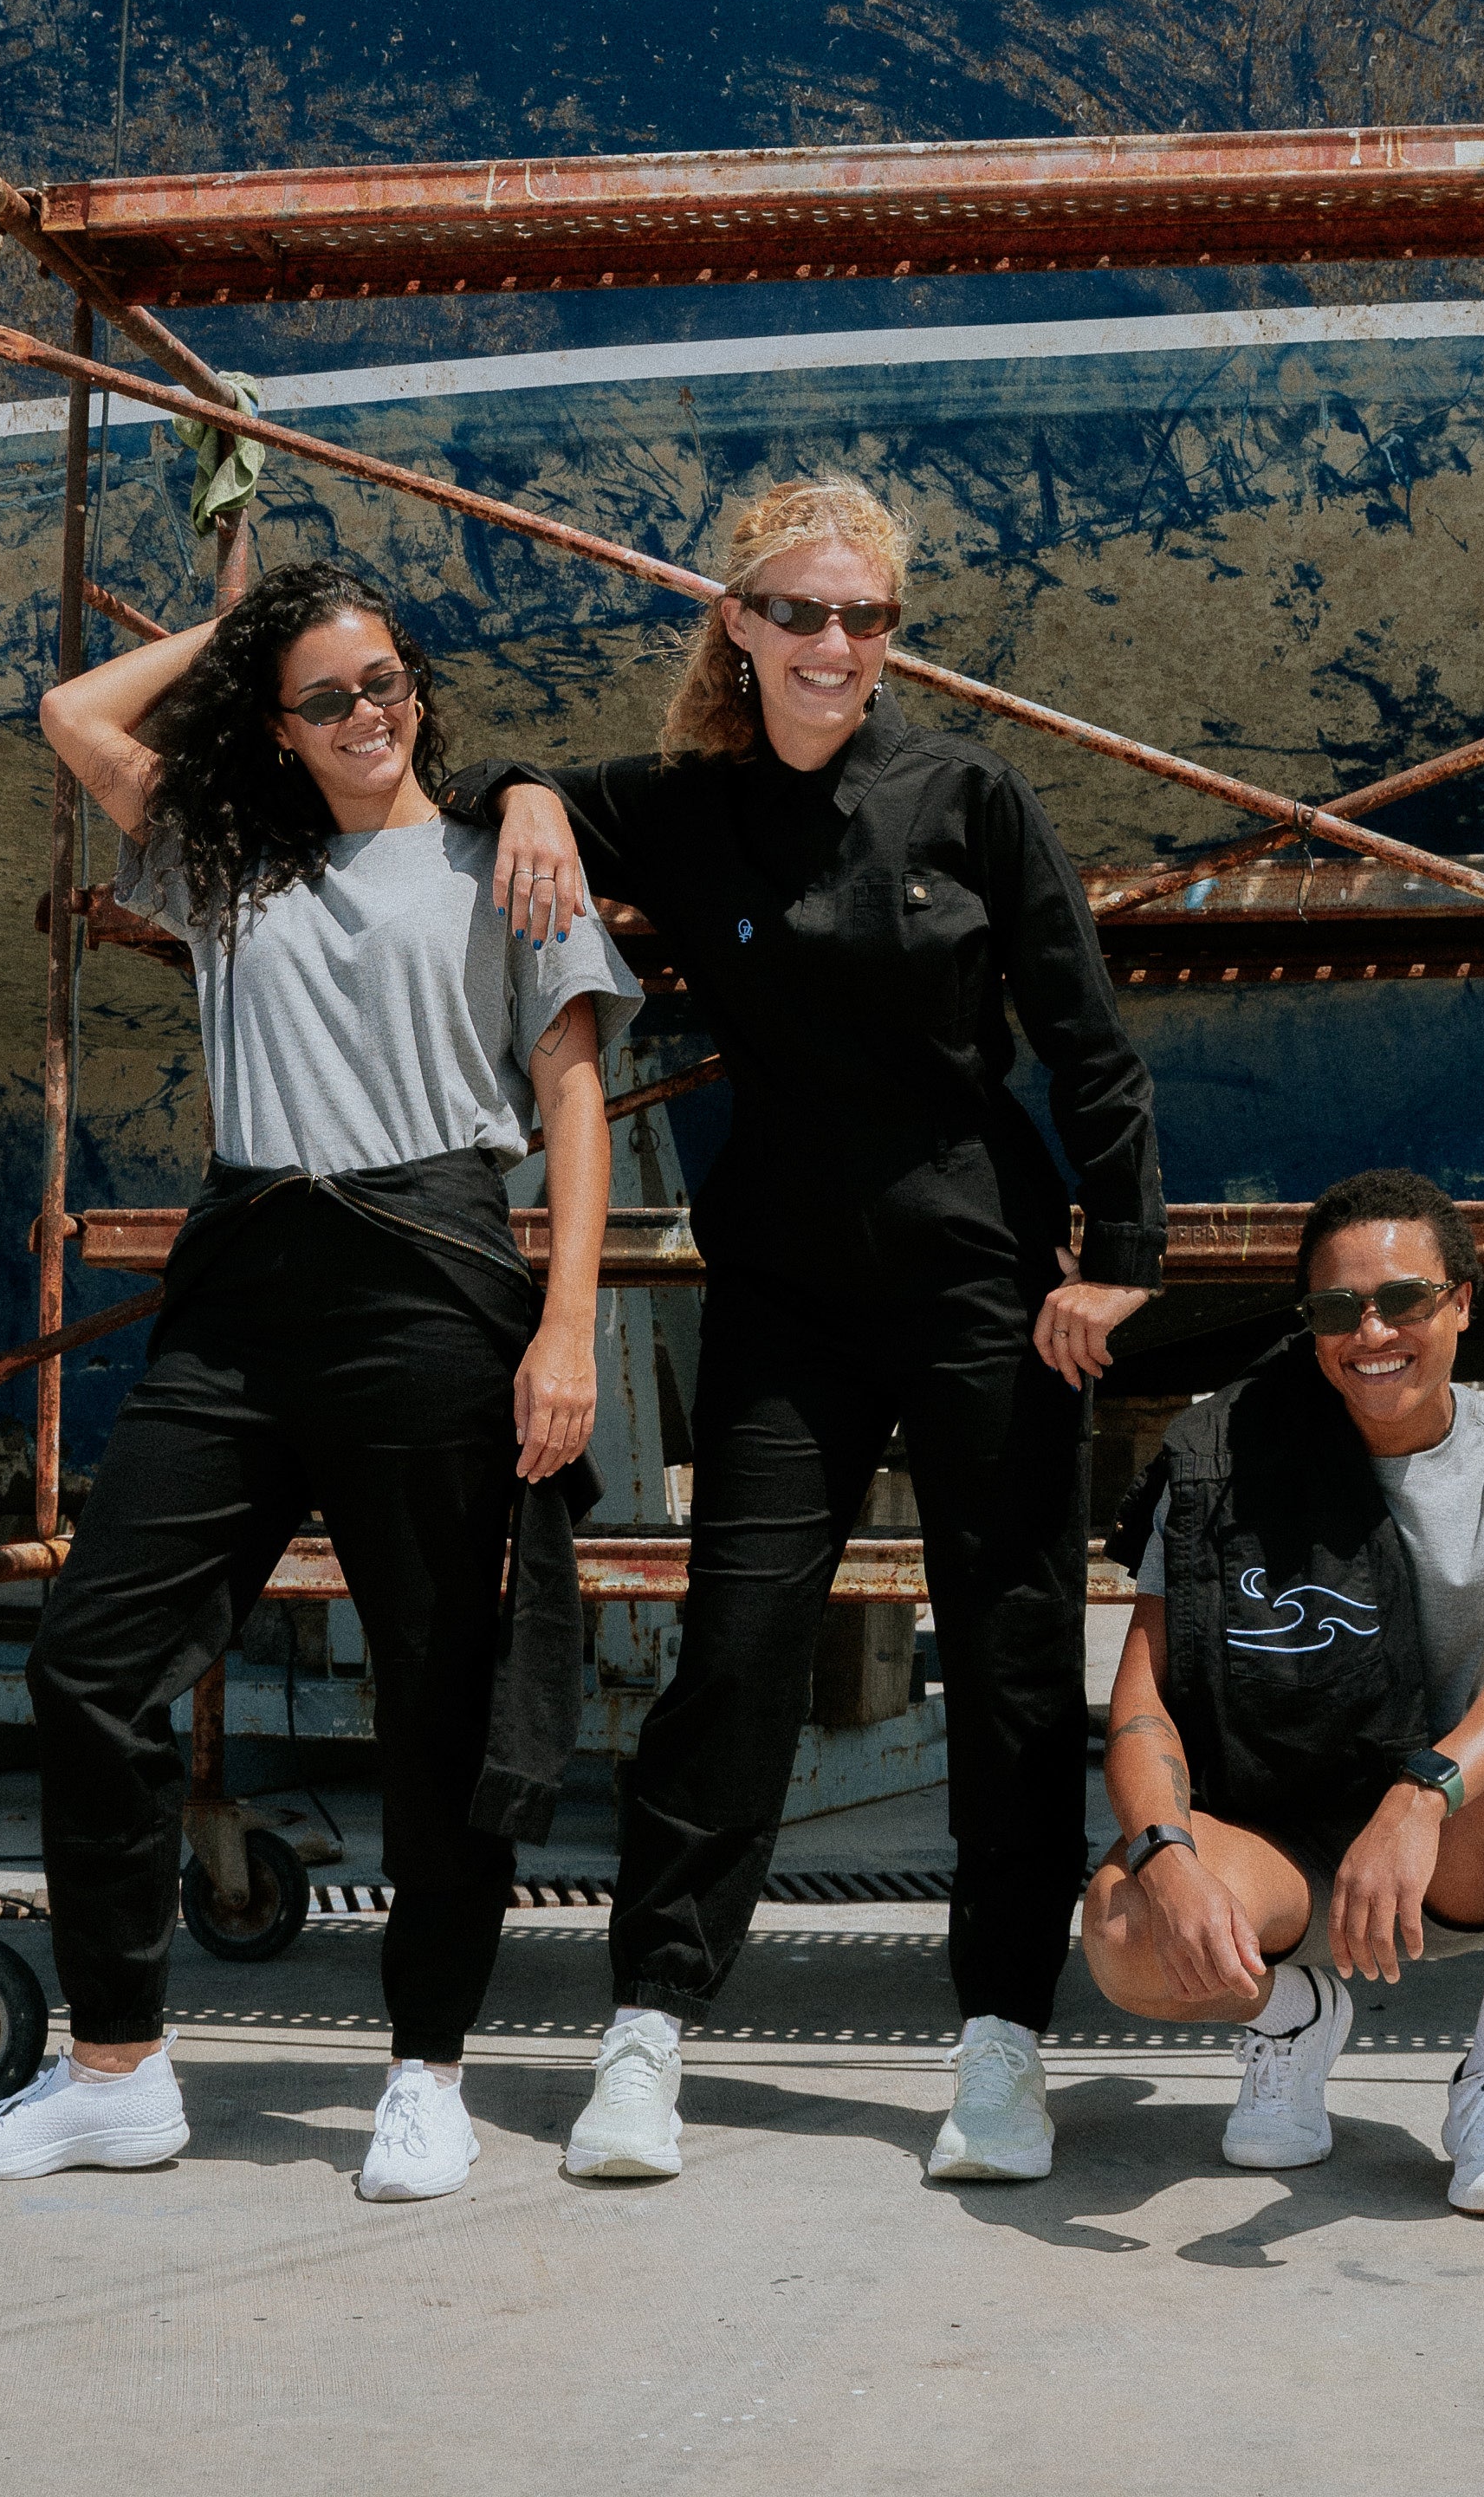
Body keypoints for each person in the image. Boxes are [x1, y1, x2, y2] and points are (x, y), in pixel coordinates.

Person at [447, 476, 1165, 2185]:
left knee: (1004, 1665)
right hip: (778, 1296)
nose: (839, 644)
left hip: (980, 1281)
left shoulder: (964, 795)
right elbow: (485, 795)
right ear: (740, 626)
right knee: (736, 1657)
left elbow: (1086, 1036)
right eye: (805, 613)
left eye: (868, 619)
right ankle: (648, 2030)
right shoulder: (683, 810)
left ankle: (1001, 2044)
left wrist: (1117, 1254)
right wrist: (535, 793)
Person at [0, 562, 638, 2198]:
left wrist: (566, 1327)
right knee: (91, 1664)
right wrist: (245, 623)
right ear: (275, 720)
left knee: (435, 1699)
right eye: (324, 696)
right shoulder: (218, 859)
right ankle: (114, 2071)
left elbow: (575, 1091)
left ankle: (426, 2072)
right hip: (245, 1292)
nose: (368, 714)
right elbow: (71, 713)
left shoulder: (500, 858)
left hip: (434, 1284)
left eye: (384, 680)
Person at [1082, 1166, 1484, 2217]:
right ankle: (1290, 2018)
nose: (1369, 1331)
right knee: (1121, 1928)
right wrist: (1163, 1854)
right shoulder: (1219, 1458)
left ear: (1461, 1304)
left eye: (1403, 1300)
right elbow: (1142, 1701)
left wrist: (1424, 1790)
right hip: (1274, 1822)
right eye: (1337, 1308)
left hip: (1441, 1839)